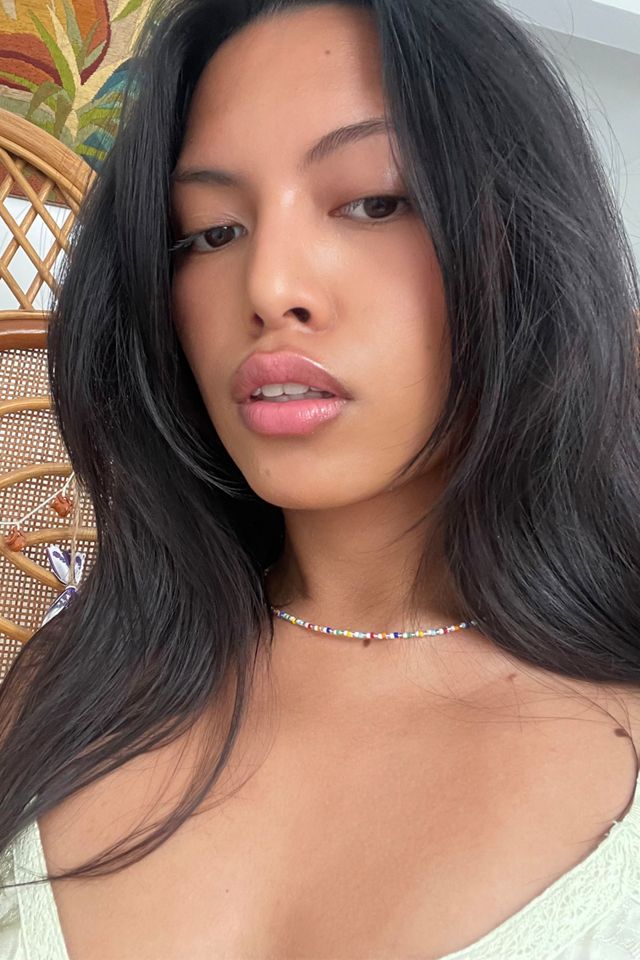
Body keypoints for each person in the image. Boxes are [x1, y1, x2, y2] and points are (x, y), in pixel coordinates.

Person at [1, 0, 640, 956]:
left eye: (374, 202)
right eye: (210, 232)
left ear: (526, 238)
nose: (268, 287)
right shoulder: (71, 684)